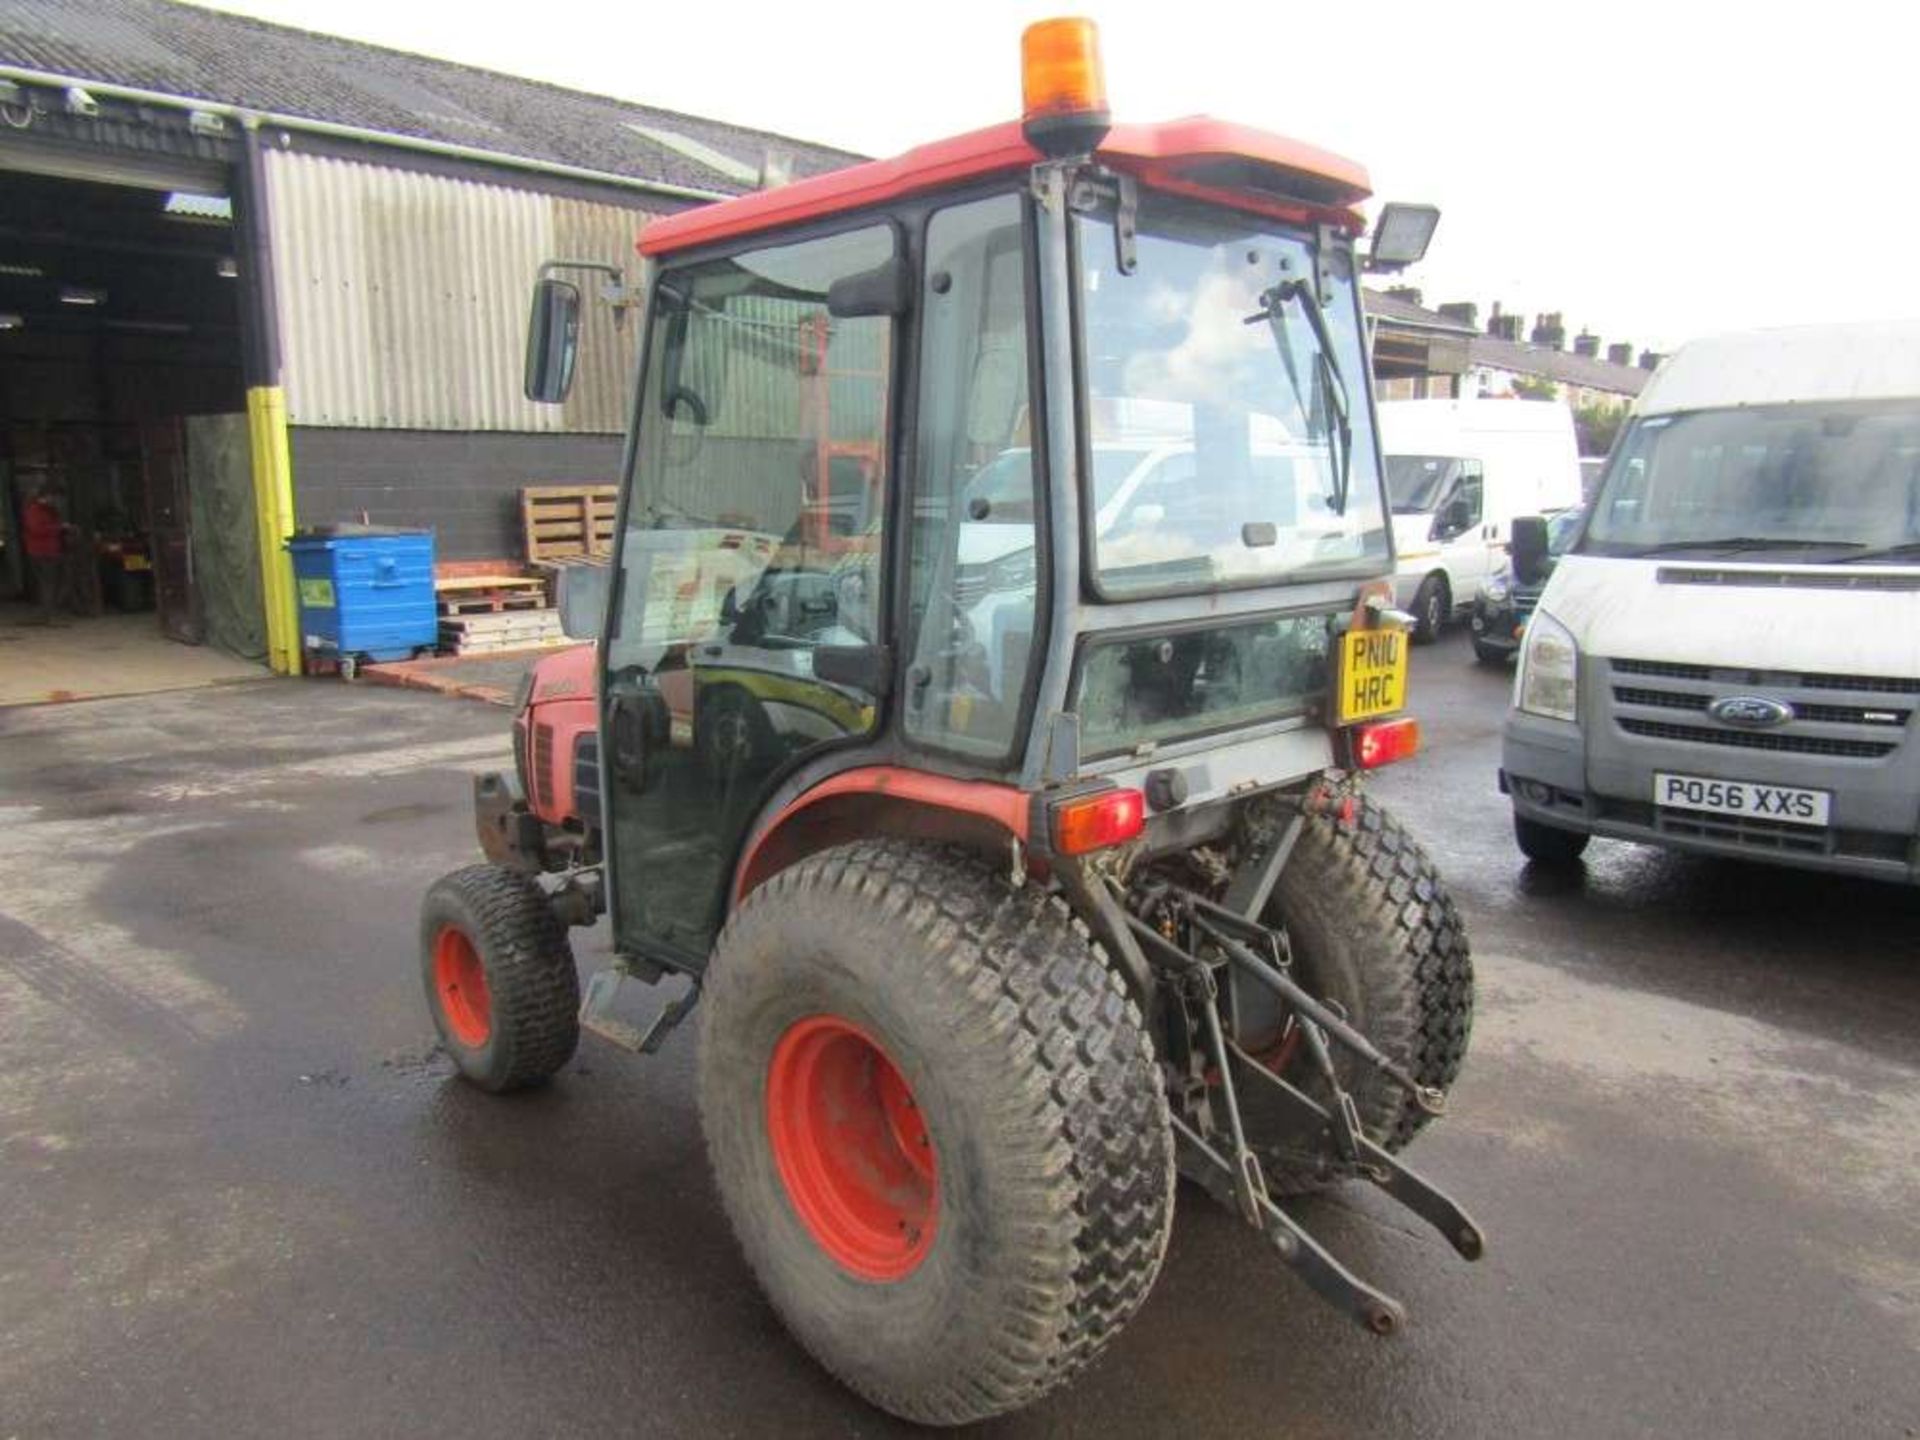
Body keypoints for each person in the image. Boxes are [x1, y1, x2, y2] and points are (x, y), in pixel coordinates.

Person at [22, 486, 70, 625]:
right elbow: (36, 530)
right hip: (41, 551)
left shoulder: (47, 510)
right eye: (52, 497)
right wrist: (59, 528)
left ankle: (46, 613)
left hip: (50, 550)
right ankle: (47, 615)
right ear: (45, 496)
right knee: (48, 584)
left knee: (51, 583)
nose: (54, 500)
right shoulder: (34, 510)